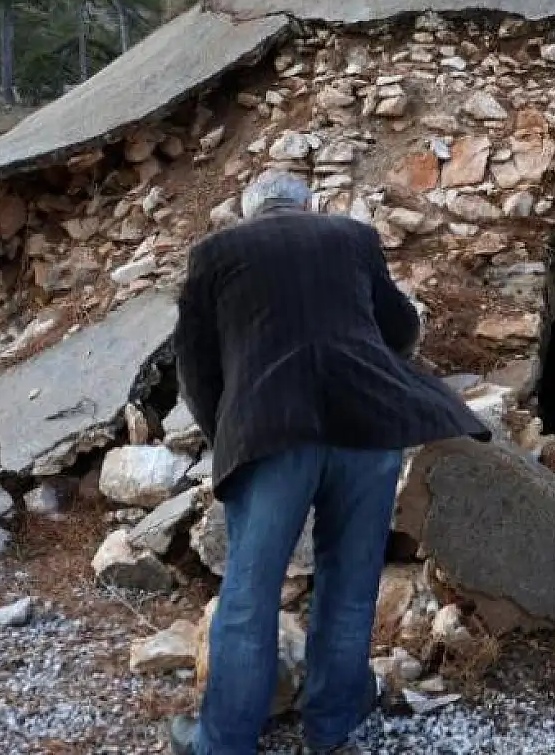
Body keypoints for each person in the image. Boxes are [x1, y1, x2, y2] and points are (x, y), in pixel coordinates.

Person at [167, 169, 490, 755]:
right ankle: (333, 721)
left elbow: (195, 367)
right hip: (368, 425)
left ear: (250, 211)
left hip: (270, 435)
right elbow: (401, 328)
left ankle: (224, 741)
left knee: (250, 594)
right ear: (308, 204)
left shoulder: (215, 252)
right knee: (351, 580)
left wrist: (228, 435)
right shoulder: (352, 236)